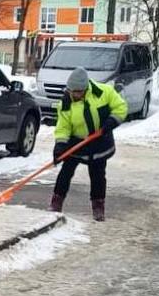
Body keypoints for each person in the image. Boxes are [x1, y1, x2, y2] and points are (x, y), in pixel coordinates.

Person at [50, 66, 128, 221]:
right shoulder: (66, 102)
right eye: (72, 91)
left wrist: (110, 123)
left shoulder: (104, 92)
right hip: (76, 142)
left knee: (98, 174)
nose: (75, 95)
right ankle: (56, 203)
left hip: (99, 141)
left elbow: (121, 108)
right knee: (65, 172)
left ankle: (98, 207)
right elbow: (63, 127)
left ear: (86, 89)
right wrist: (60, 146)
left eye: (78, 92)